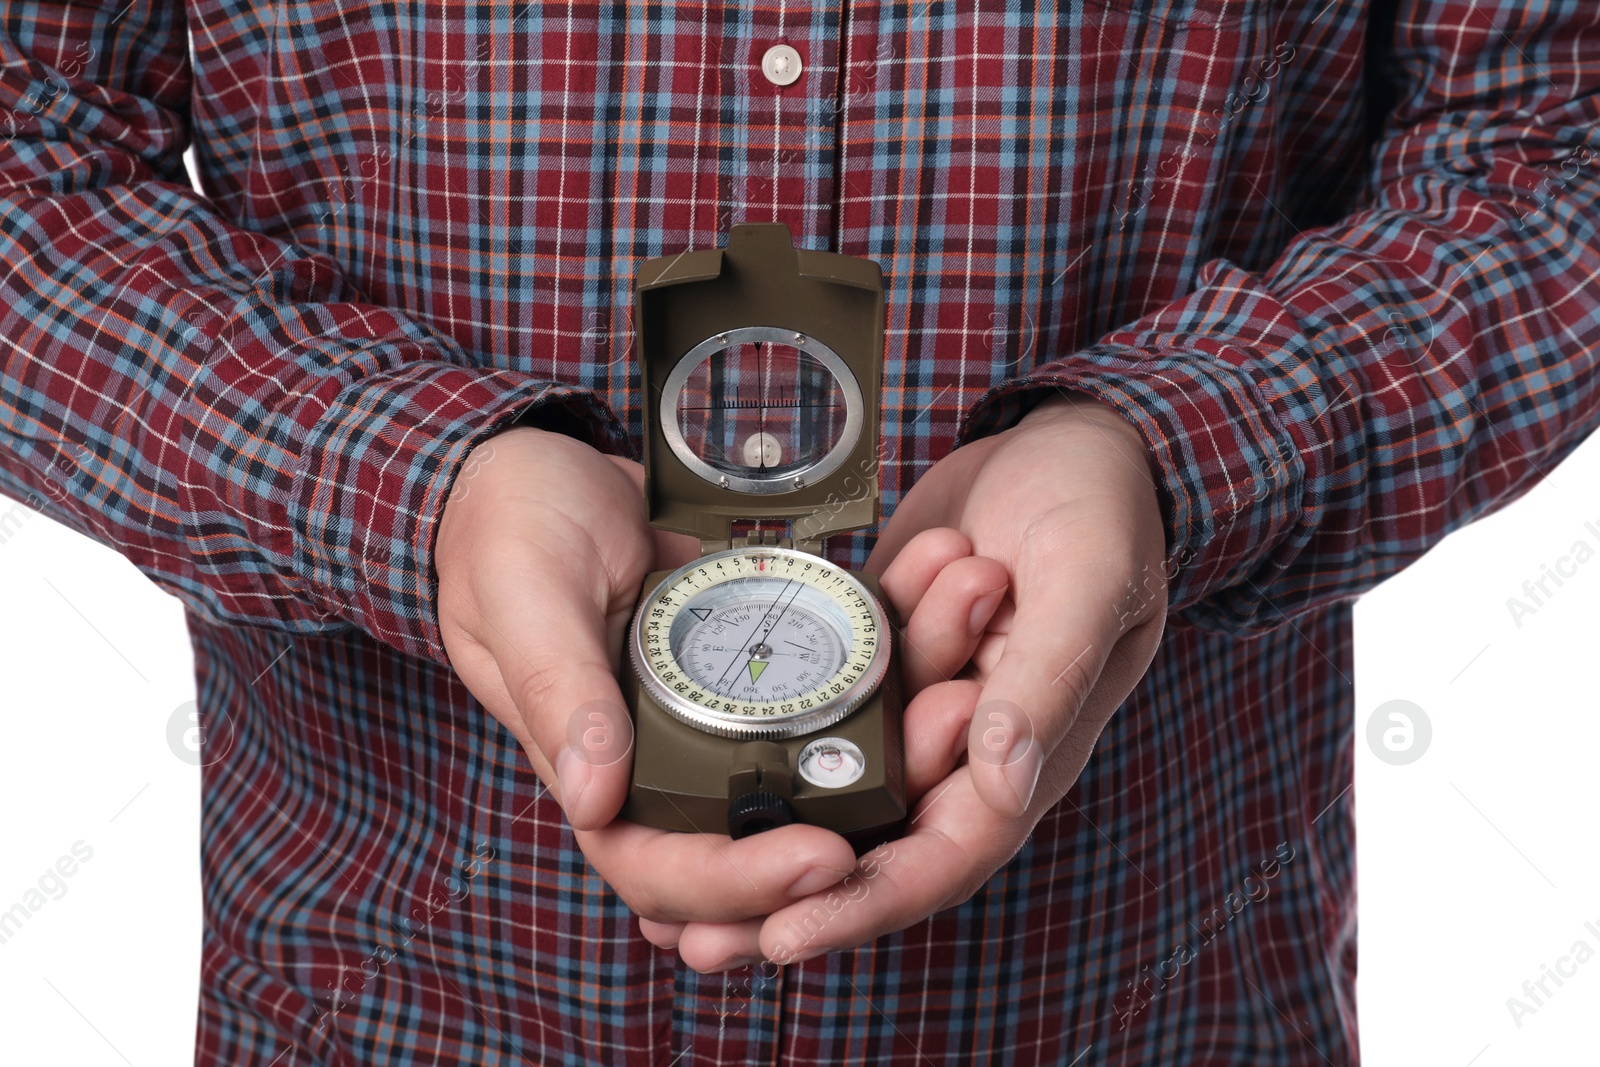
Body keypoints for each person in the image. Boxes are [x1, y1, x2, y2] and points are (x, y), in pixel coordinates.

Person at [2, 0, 1596, 1062]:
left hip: (1148, 993)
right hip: (389, 993)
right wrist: (415, 483)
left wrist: (1177, 451)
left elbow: (1550, 151)